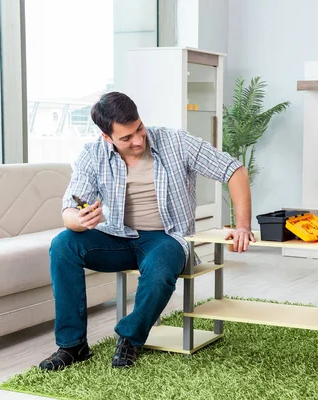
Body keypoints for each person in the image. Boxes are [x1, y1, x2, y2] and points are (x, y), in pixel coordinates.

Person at [38, 91, 255, 371]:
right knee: (63, 244)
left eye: (139, 129)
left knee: (161, 267)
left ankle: (130, 338)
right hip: (115, 236)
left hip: (165, 237)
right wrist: (79, 220)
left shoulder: (175, 141)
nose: (138, 140)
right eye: (126, 138)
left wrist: (243, 226)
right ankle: (72, 345)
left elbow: (234, 169)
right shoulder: (92, 154)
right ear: (108, 137)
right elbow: (69, 209)